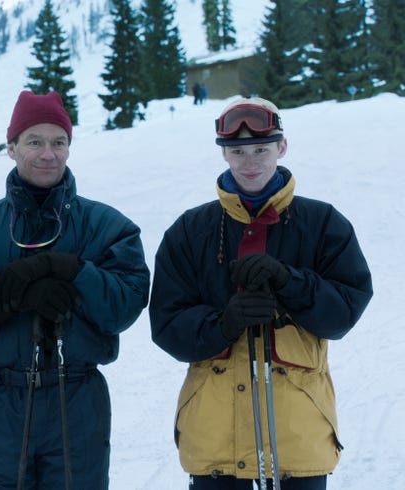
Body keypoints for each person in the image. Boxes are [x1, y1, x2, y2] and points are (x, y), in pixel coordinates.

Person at [0, 90, 150, 489]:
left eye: (58, 142)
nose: (48, 154)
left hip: (78, 400)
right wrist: (1, 300)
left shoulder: (107, 227)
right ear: (11, 148)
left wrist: (75, 271)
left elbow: (123, 306)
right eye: (34, 141)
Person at [149, 97, 373, 490]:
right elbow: (167, 325)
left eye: (260, 149)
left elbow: (344, 312)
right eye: (237, 151)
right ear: (224, 154)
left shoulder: (322, 224)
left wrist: (291, 282)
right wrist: (223, 323)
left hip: (297, 439)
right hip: (214, 440)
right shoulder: (189, 231)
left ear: (281, 148)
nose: (249, 161)